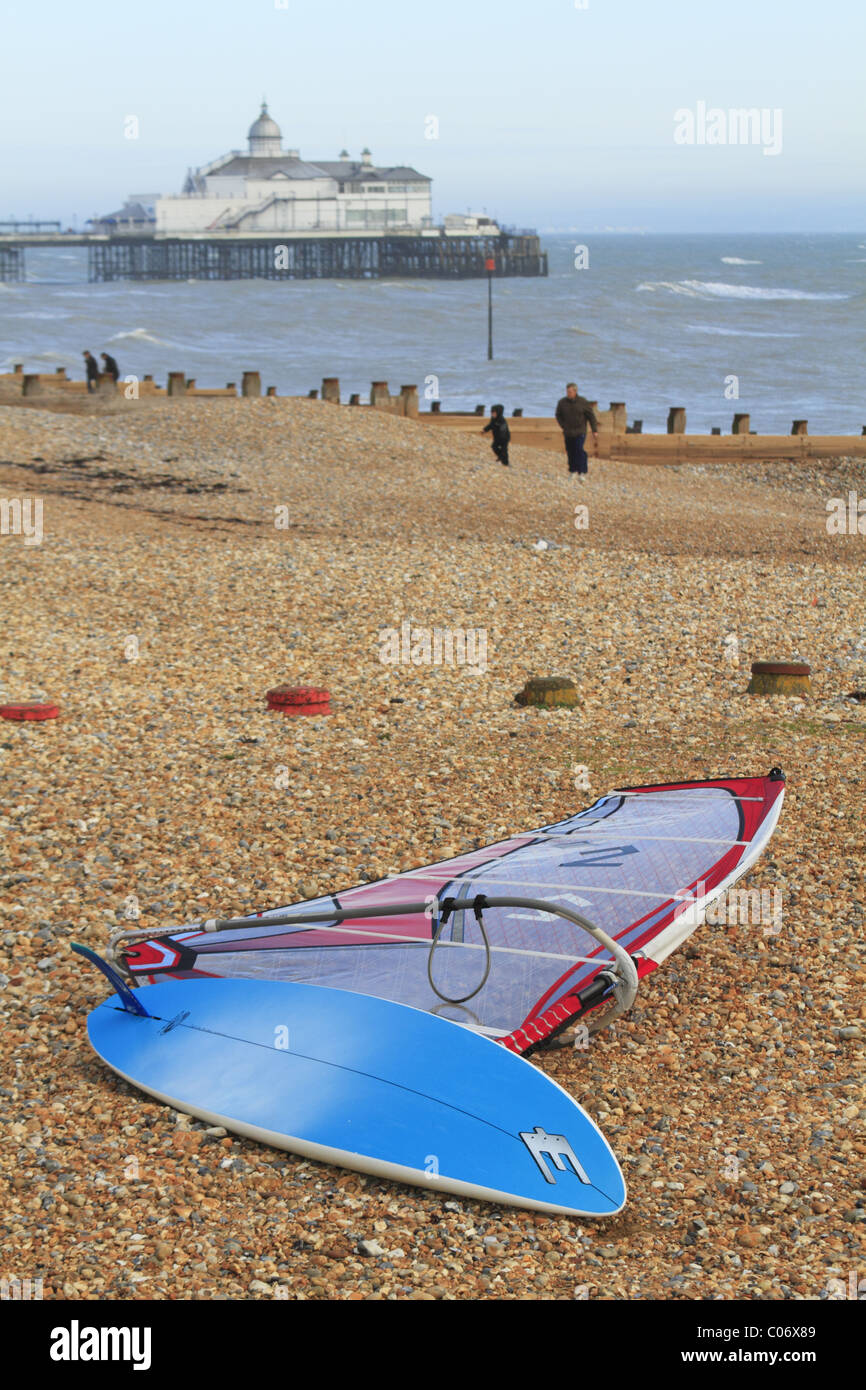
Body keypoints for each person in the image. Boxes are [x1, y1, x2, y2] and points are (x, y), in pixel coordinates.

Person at [555, 382, 598, 478]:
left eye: (570, 391)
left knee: (579, 450)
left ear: (575, 391)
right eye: (567, 391)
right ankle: (573, 470)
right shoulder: (562, 402)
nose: (568, 393)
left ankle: (582, 471)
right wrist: (563, 425)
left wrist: (594, 430)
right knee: (570, 451)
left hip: (580, 431)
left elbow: (591, 416)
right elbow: (558, 415)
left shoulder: (583, 402)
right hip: (568, 432)